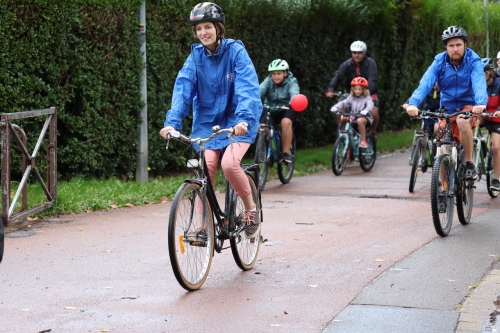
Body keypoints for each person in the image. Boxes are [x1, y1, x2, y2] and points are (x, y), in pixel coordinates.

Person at [159, 2, 262, 238]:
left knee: (229, 165)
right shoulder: (195, 57)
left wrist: (244, 119)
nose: (203, 32)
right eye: (198, 29)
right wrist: (172, 123)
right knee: (206, 169)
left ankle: (250, 209)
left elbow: (247, 87)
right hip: (208, 122)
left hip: (238, 121)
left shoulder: (235, 51)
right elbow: (183, 88)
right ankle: (201, 225)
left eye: (207, 27)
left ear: (218, 28)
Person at [406, 26, 487, 180]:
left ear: (465, 45)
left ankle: (469, 163)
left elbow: (478, 82)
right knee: (442, 150)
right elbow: (426, 82)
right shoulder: (439, 61)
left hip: (468, 105)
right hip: (448, 107)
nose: (455, 49)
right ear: (446, 47)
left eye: (458, 45)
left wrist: (481, 103)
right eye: (451, 45)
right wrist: (413, 103)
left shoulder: (473, 60)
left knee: (462, 122)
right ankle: (443, 191)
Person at [326, 41, 379, 134]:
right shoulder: (347, 64)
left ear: (364, 53)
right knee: (339, 112)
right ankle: (343, 134)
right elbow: (338, 76)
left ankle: (372, 132)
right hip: (352, 93)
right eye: (354, 53)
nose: (356, 55)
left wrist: (368, 91)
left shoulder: (370, 63)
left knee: (374, 113)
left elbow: (372, 79)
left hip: (368, 92)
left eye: (359, 53)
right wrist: (331, 89)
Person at [259, 59, 300, 164]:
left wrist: (292, 102)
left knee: (285, 122)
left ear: (285, 73)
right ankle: (264, 149)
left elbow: (294, 93)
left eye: (279, 73)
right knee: (263, 127)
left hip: (287, 107)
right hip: (270, 107)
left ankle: (286, 153)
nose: (276, 76)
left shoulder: (292, 81)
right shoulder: (268, 81)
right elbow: (259, 90)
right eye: (273, 74)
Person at [330, 77, 373, 151]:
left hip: (365, 117)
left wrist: (365, 111)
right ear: (353, 89)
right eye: (355, 89)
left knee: (360, 120)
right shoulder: (351, 97)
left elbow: (370, 104)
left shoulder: (367, 98)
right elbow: (343, 103)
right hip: (353, 117)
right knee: (346, 123)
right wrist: (335, 107)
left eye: (359, 89)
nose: (357, 91)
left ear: (363, 89)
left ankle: (363, 140)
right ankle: (349, 150)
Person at [481, 58, 500, 190]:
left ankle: (496, 179)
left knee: (495, 148)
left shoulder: (499, 83)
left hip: (496, 119)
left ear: (488, 73)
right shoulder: (479, 84)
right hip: (483, 116)